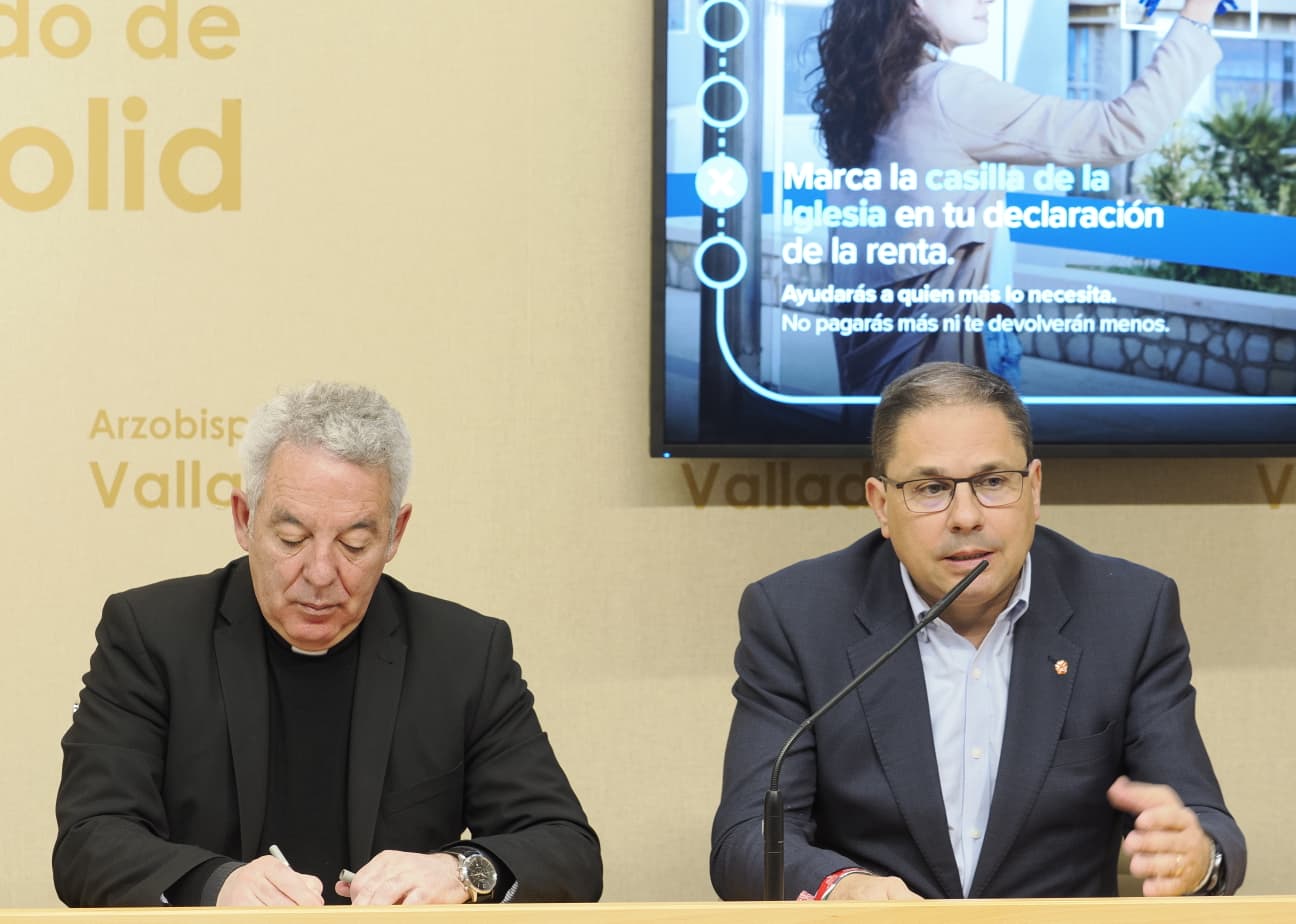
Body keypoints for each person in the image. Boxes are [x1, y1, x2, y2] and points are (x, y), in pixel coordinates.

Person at [710, 361, 1245, 900]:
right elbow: (747, 837)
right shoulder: (797, 617)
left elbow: (1204, 822)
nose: (965, 516)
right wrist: (840, 888)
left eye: (992, 482)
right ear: (881, 505)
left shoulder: (1127, 612)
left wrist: (1200, 858)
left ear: (1034, 489)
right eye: (931, 488)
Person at [54, 382, 601, 907]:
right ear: (244, 519)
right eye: (292, 539)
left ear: (395, 533)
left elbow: (568, 848)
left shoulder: (463, 654)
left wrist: (459, 870)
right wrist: (215, 885)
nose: (320, 573)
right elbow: (89, 839)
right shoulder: (151, 635)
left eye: (354, 544)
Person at [812, 0, 1234, 394]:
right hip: (950, 376)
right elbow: (1121, 130)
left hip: (883, 380)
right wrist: (1198, 9)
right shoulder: (947, 91)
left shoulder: (866, 102)